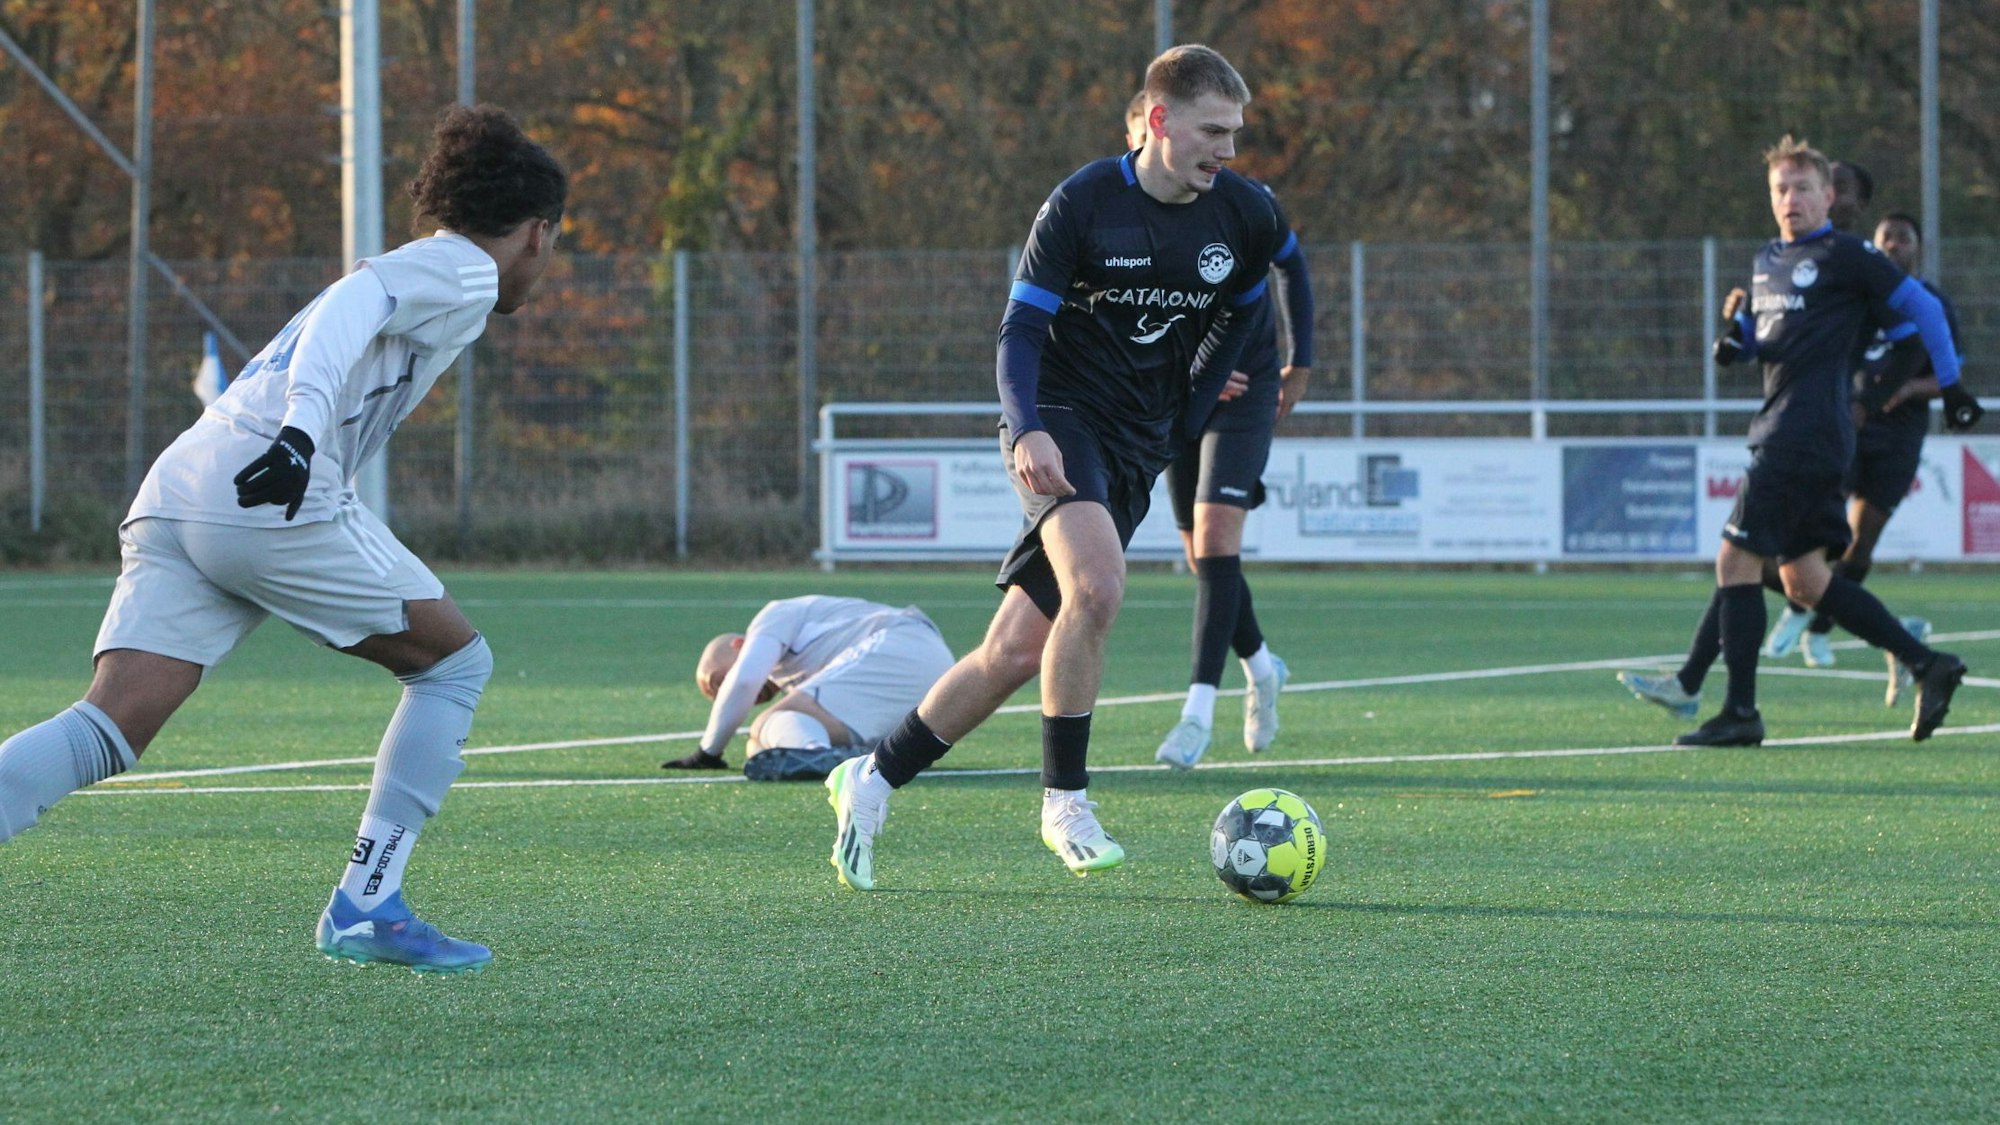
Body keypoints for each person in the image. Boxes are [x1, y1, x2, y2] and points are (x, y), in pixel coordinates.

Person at [0, 105, 567, 973]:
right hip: (268, 482)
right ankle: (366, 904)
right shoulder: (464, 268)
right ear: (533, 233)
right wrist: (303, 432)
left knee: (112, 723)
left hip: (184, 479)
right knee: (455, 665)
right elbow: (356, 299)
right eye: (553, 240)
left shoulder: (445, 273)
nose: (549, 258)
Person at [823, 44, 1281, 891]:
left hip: (1138, 442)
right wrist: (1027, 426)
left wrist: (1187, 412)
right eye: (1213, 131)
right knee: (1098, 589)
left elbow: (1248, 315)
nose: (1228, 149)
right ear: (1158, 121)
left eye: (1235, 133)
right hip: (1062, 422)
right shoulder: (1083, 203)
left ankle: (873, 775)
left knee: (1012, 651)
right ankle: (1064, 801)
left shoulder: (1244, 213)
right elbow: (1020, 331)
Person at [1617, 136, 1978, 747]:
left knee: (1734, 562)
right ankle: (1927, 663)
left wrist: (1951, 386)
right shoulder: (1765, 261)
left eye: (1804, 188)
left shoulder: (1848, 255)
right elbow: (1768, 342)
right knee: (1805, 582)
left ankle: (1740, 713)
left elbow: (1926, 311)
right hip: (1799, 431)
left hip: (1801, 434)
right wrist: (1738, 343)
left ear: (1828, 196)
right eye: (1781, 189)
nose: (1792, 199)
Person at [1118, 92, 1314, 770]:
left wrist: (1300, 361)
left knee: (1217, 539)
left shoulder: (1244, 203)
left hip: (1246, 387)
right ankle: (1263, 665)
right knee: (1203, 558)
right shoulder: (1129, 215)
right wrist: (1186, 379)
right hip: (1185, 393)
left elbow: (1290, 268)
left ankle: (1196, 712)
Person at [662, 596, 954, 781]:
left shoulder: (773, 616)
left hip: (901, 644)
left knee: (767, 723)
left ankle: (817, 753)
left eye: (719, 683)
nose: (729, 695)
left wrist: (707, 753)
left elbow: (745, 680)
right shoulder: (810, 676)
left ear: (738, 645)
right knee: (760, 746)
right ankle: (853, 755)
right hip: (935, 683)